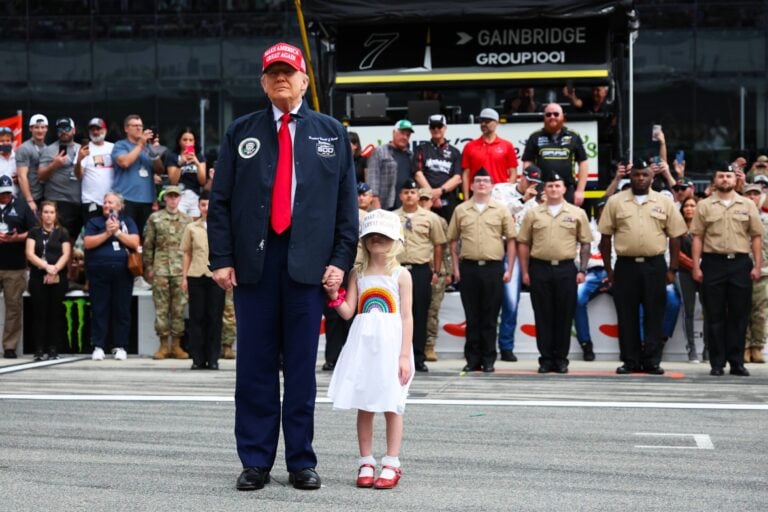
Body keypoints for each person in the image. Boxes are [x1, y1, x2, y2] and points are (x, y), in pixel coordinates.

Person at [208, 42, 358, 492]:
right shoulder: (242, 131)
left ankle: (301, 461)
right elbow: (221, 202)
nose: (280, 79)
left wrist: (338, 261)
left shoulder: (331, 133)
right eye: (272, 73)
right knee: (253, 367)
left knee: (299, 369)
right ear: (262, 82)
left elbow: (346, 209)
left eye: (288, 72)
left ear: (304, 80)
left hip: (308, 266)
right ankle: (255, 461)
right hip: (255, 263)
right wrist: (221, 259)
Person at [325, 209, 413, 490]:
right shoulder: (357, 273)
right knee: (364, 403)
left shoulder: (401, 275)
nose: (377, 240)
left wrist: (403, 355)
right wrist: (333, 296)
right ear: (363, 240)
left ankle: (392, 462)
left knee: (391, 404)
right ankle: (366, 460)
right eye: (372, 236)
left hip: (390, 345)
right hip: (363, 345)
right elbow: (349, 311)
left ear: (395, 239)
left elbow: (407, 316)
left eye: (384, 236)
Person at [598, 159, 687, 375]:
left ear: (652, 177)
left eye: (644, 174)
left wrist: (672, 269)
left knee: (654, 314)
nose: (640, 178)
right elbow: (605, 238)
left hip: (654, 265)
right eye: (636, 174)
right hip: (625, 266)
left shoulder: (664, 202)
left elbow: (675, 237)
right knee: (626, 315)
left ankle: (652, 361)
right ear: (631, 176)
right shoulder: (616, 202)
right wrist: (609, 270)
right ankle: (630, 361)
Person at [691, 165, 764, 376]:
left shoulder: (747, 205)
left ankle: (737, 361)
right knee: (714, 315)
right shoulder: (704, 205)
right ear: (714, 180)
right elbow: (697, 237)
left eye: (729, 176)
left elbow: (756, 237)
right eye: (721, 176)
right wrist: (696, 265)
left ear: (735, 180)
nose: (725, 179)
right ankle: (717, 362)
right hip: (713, 263)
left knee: (739, 315)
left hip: (740, 263)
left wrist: (757, 265)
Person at [517, 173, 591, 373]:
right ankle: (546, 358)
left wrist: (582, 269)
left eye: (557, 186)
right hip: (539, 268)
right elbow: (523, 244)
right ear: (545, 189)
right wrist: (525, 271)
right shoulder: (533, 214)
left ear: (564, 189)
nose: (554, 190)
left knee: (564, 315)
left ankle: (561, 359)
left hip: (566, 269)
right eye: (550, 186)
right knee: (543, 315)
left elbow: (585, 243)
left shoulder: (577, 213)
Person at [448, 169, 515, 373]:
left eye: (486, 180)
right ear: (471, 185)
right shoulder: (461, 210)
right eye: (478, 181)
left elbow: (511, 240)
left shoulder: (501, 210)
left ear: (492, 185)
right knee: (472, 315)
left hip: (493, 268)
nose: (482, 184)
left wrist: (509, 269)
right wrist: (456, 269)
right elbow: (453, 241)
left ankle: (488, 360)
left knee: (489, 316)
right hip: (468, 268)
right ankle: (472, 359)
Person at [393, 178, 446, 372]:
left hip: (421, 270)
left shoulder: (430, 218)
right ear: (400, 195)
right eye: (405, 192)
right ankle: (397, 355)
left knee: (420, 313)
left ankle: (418, 356)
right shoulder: (392, 217)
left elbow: (439, 244)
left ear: (418, 195)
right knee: (397, 314)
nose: (409, 195)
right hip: (397, 270)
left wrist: (436, 271)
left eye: (413, 192)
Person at [490, 165, 541, 362]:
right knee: (489, 300)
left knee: (511, 302)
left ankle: (506, 346)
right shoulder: (501, 190)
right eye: (528, 181)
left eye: (535, 183)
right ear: (521, 177)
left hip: (518, 251)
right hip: (495, 246)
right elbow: (498, 213)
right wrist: (523, 199)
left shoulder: (536, 204)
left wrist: (533, 201)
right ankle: (485, 347)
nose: (531, 185)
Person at [83, 192, 140, 361]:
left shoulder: (127, 221)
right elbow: (87, 243)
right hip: (98, 272)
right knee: (99, 309)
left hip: (123, 272)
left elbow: (135, 243)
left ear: (120, 206)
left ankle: (120, 346)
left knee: (121, 310)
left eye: (111, 203)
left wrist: (118, 233)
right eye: (105, 202)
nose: (107, 205)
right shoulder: (94, 222)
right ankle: (98, 346)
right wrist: (107, 233)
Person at [143, 185, 192, 360]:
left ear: (180, 199)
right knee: (162, 309)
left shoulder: (188, 220)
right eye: (170, 197)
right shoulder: (154, 219)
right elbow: (148, 245)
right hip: (161, 268)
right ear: (165, 199)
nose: (173, 200)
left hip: (180, 270)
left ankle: (177, 345)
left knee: (179, 308)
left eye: (176, 196)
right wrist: (148, 267)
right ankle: (163, 344)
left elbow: (189, 248)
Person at [181, 190, 224, 369]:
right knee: (196, 317)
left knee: (215, 317)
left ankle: (213, 358)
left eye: (209, 204)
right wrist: (184, 277)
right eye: (203, 205)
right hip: (196, 274)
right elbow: (187, 253)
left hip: (216, 276)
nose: (206, 208)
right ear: (199, 206)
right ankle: (197, 359)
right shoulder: (192, 227)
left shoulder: (221, 226)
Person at [25, 201, 71, 361]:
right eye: (45, 212)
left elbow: (66, 254)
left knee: (55, 313)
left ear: (56, 214)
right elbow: (30, 253)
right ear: (41, 214)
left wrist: (55, 268)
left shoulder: (62, 232)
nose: (49, 215)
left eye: (52, 212)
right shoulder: (34, 232)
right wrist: (46, 266)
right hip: (38, 277)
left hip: (58, 277)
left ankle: (53, 348)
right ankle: (38, 348)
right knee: (39, 314)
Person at [522, 103, 589, 206]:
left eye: (556, 114)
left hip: (566, 189)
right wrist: (528, 188)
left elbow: (583, 162)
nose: (552, 117)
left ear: (562, 117)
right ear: (544, 118)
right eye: (548, 115)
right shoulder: (534, 137)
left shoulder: (573, 136)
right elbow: (527, 163)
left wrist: (580, 191)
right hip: (541, 189)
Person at [0, 175, 37, 359]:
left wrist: (18, 237)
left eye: (7, 193)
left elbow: (35, 231)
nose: (5, 196)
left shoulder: (22, 206)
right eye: (2, 193)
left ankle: (9, 346)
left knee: (13, 307)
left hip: (14, 265)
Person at [112, 115, 164, 236]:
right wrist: (140, 144)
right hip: (126, 199)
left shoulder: (148, 147)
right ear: (126, 128)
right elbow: (124, 162)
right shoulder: (120, 145)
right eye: (135, 126)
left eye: (140, 126)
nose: (139, 128)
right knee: (126, 235)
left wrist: (155, 153)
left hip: (147, 200)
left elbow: (160, 170)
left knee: (145, 237)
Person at [574, 199, 610, 361]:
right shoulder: (587, 228)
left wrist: (612, 274)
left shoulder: (622, 226)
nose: (605, 212)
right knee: (577, 299)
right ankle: (585, 343)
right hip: (592, 273)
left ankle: (637, 344)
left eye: (607, 209)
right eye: (602, 209)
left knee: (633, 300)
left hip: (617, 274)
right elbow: (578, 254)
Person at [418, 188, 451, 362]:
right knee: (413, 310)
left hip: (436, 271)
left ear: (432, 202)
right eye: (421, 199)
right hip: (416, 268)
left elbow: (445, 249)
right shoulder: (409, 219)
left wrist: (449, 271)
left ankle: (429, 345)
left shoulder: (440, 221)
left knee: (432, 310)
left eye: (427, 200)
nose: (424, 203)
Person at [38, 118, 83, 242]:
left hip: (76, 200)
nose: (64, 131)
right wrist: (54, 164)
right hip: (55, 200)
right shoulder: (49, 150)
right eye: (60, 129)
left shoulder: (82, 149)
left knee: (71, 239)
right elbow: (41, 176)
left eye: (67, 128)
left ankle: (67, 262)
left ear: (73, 130)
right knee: (53, 238)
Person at [412, 114, 462, 222]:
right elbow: (417, 174)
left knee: (449, 234)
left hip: (448, 200)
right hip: (425, 200)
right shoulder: (421, 149)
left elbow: (457, 178)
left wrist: (439, 191)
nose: (436, 129)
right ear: (429, 129)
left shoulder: (454, 152)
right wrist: (431, 194)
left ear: (445, 127)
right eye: (432, 127)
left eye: (439, 126)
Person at [461, 108, 518, 200]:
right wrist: (466, 199)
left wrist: (506, 194)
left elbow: (513, 173)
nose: (483, 124)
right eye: (481, 121)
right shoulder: (470, 146)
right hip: (476, 195)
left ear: (497, 122)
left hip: (500, 196)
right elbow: (465, 175)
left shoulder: (507, 145)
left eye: (487, 121)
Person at [743, 184, 767, 363]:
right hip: (741, 270)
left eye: (756, 194)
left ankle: (757, 346)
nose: (752, 197)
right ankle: (744, 346)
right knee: (741, 310)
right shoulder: (738, 218)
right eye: (748, 194)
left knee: (760, 312)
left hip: (764, 272)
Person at [75, 117, 115, 223]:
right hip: (91, 201)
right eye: (92, 129)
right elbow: (79, 175)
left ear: (105, 130)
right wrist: (79, 159)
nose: (95, 132)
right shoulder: (84, 149)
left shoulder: (114, 148)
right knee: (92, 234)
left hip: (112, 201)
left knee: (113, 231)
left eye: (98, 129)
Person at [367, 120, 414, 210]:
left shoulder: (410, 155)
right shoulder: (380, 151)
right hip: (385, 204)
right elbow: (372, 178)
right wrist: (376, 203)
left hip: (405, 206)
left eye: (408, 135)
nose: (405, 137)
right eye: (402, 133)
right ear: (394, 132)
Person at [677, 196, 702, 363]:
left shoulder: (704, 227)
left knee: (710, 310)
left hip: (706, 272)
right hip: (685, 272)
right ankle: (691, 348)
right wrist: (694, 266)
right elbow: (677, 254)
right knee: (689, 310)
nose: (689, 209)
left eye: (693, 205)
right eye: (686, 206)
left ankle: (708, 349)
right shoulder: (678, 229)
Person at [166, 127, 207, 218]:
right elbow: (173, 181)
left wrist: (197, 163)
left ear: (194, 142)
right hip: (179, 195)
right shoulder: (173, 157)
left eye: (191, 140)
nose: (188, 142)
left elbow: (203, 181)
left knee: (194, 225)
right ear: (179, 141)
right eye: (184, 140)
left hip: (195, 196)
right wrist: (180, 163)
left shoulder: (199, 157)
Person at [16, 114, 48, 213]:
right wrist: (29, 200)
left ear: (46, 129)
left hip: (43, 197)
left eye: (43, 127)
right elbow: (21, 176)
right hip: (30, 198)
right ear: (31, 129)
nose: (40, 130)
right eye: (36, 127)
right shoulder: (24, 148)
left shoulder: (47, 148)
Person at [0, 127, 17, 196]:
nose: (5, 143)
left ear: (12, 142)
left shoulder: (18, 158)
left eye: (8, 140)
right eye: (2, 141)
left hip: (15, 198)